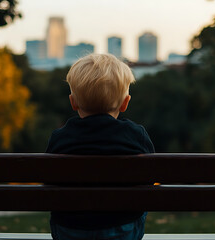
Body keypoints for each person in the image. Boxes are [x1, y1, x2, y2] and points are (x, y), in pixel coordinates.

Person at [46, 53, 155, 240]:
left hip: (70, 229)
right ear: (125, 103)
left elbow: (48, 181)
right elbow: (150, 179)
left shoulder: (60, 138)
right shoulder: (136, 136)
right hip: (124, 228)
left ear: (73, 102)